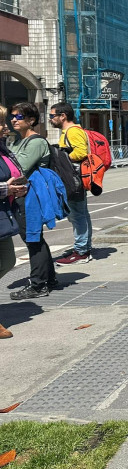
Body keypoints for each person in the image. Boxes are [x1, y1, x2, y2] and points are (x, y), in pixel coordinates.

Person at [9, 102, 59, 300]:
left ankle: (38, 285)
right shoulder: (17, 141)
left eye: (19, 116)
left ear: (31, 120)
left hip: (29, 197)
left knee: (32, 239)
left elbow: (18, 169)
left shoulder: (36, 142)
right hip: (21, 196)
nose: (14, 120)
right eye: (12, 116)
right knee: (34, 238)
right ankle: (49, 278)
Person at [48, 102, 93, 265]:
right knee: (81, 214)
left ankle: (81, 252)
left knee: (77, 215)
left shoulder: (72, 131)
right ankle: (84, 248)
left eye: (52, 116)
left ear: (63, 116)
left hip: (73, 179)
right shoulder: (71, 131)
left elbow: (81, 152)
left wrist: (62, 158)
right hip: (75, 178)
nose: (50, 119)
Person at [0, 106, 28, 337]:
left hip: (3, 214)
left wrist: (18, 187)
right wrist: (4, 188)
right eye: (0, 123)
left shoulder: (2, 147)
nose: (4, 127)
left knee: (7, 261)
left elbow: (17, 169)